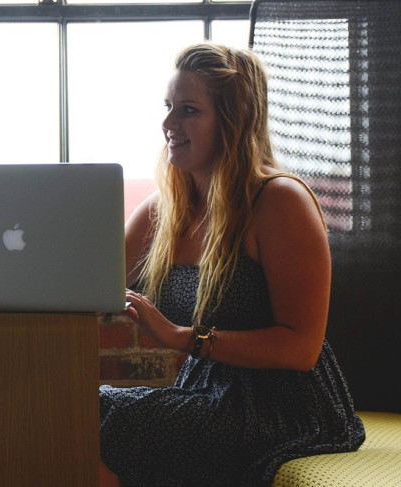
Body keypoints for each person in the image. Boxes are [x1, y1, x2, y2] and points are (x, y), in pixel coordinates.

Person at [99, 43, 365, 487]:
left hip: (285, 408)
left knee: (108, 428)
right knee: (82, 412)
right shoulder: (163, 213)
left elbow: (301, 349)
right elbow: (88, 287)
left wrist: (183, 337)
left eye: (187, 110)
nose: (168, 124)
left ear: (233, 121)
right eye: (168, 107)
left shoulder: (279, 202)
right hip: (204, 394)